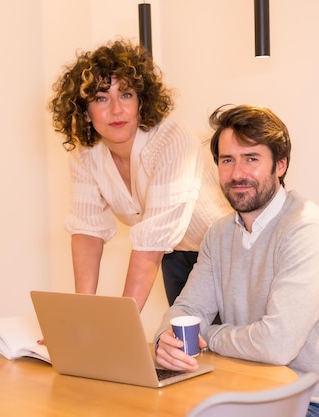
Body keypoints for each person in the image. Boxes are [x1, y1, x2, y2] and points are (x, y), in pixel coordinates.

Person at [154, 104, 319, 417]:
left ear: (280, 165)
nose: (237, 174)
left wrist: (209, 336)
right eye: (228, 160)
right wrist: (165, 339)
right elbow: (187, 310)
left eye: (252, 159)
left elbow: (276, 345)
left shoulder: (307, 229)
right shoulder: (218, 234)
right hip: (253, 393)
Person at [48, 39, 230, 311]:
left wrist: (120, 324)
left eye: (126, 95)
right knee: (185, 348)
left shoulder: (171, 139)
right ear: (84, 112)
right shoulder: (86, 155)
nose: (116, 110)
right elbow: (87, 231)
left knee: (224, 348)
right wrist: (81, 316)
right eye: (101, 98)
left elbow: (151, 243)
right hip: (176, 255)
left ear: (141, 101)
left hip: (228, 255)